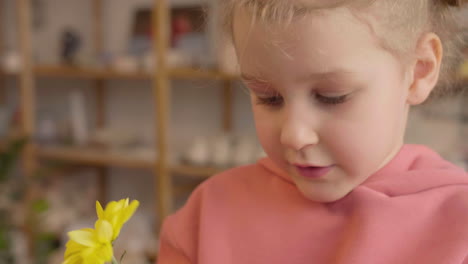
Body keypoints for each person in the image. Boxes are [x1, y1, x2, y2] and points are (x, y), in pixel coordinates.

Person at [158, 0, 468, 263]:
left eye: (331, 97)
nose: (294, 135)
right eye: (268, 97)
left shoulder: (458, 226)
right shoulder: (206, 216)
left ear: (419, 71)